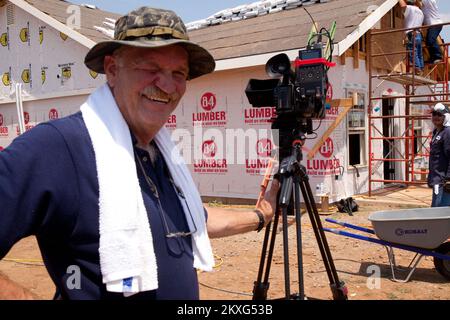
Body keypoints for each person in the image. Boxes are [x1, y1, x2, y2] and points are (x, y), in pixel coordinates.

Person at [0, 7, 280, 300]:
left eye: (178, 73)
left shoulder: (160, 152)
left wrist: (261, 215)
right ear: (111, 69)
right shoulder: (59, 147)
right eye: (151, 69)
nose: (168, 85)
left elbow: (194, 219)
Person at [428, 103, 450, 207]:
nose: (436, 117)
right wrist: (430, 178)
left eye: (439, 115)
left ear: (446, 117)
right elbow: (434, 159)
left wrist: (449, 179)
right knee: (437, 210)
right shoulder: (437, 132)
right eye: (434, 114)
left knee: (439, 211)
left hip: (443, 181)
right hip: (437, 179)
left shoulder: (447, 132)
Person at [399, 0, 425, 74]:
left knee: (412, 52)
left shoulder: (410, 8)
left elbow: (402, 6)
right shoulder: (421, 12)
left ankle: (417, 69)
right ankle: (421, 68)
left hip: (411, 34)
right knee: (419, 53)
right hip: (419, 34)